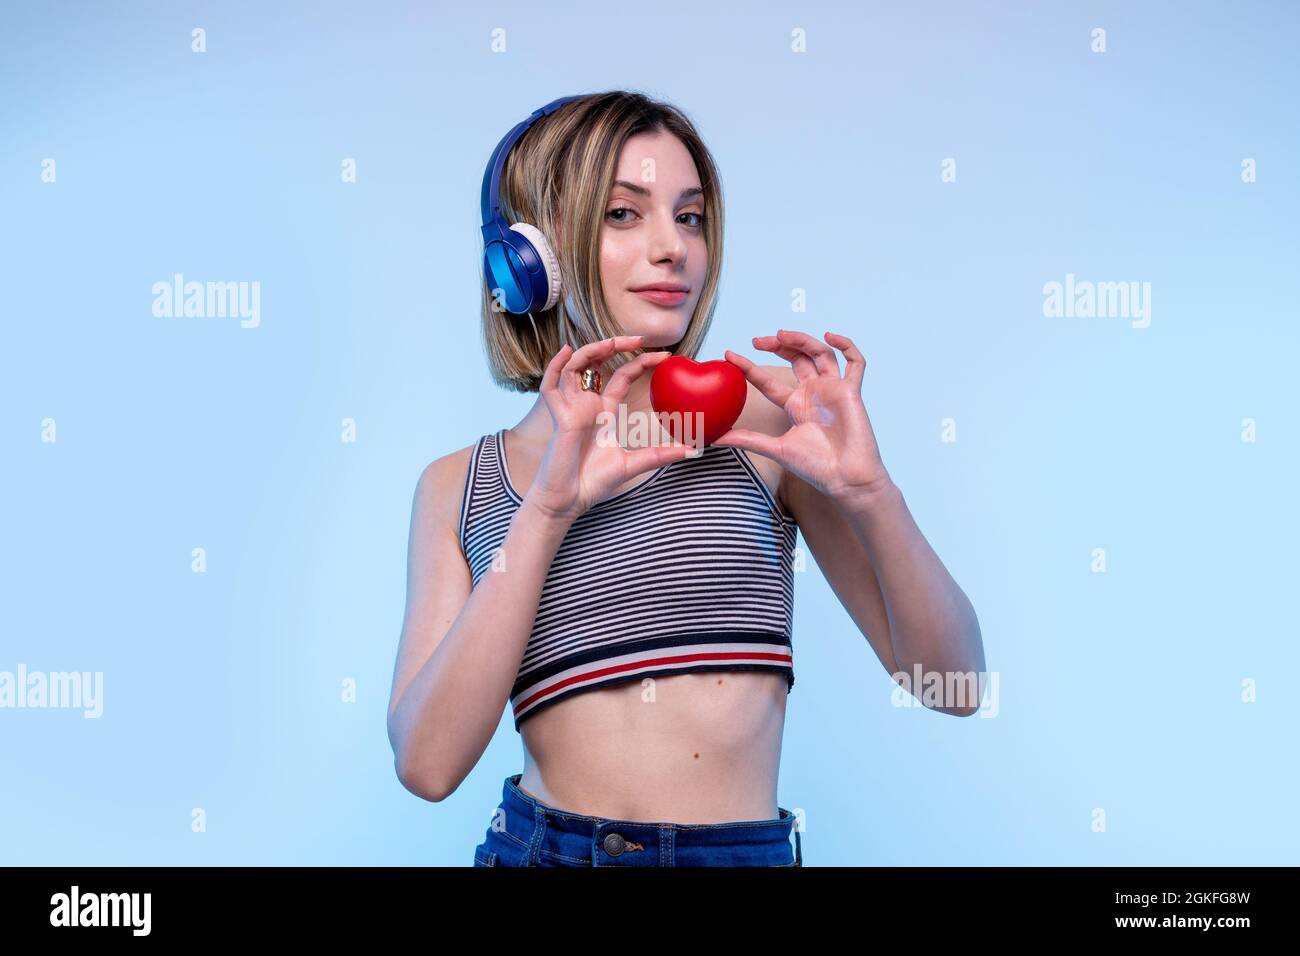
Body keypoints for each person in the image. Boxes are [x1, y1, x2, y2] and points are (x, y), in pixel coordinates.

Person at [386, 91, 986, 867]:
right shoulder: (461, 484)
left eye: (691, 216)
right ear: (529, 261)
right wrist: (546, 513)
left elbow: (955, 686)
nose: (674, 247)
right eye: (623, 214)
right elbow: (427, 765)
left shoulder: (766, 433)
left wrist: (872, 496)